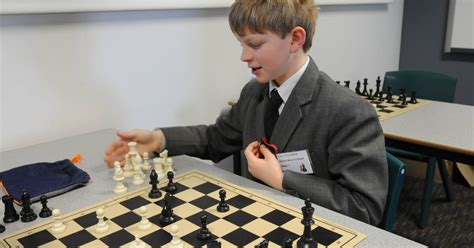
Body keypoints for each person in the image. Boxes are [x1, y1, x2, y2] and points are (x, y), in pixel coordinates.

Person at [104, 0, 388, 225]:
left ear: (295, 39)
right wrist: (159, 140)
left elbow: (364, 209)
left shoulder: (348, 111)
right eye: (241, 45)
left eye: (254, 44)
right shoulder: (254, 93)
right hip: (258, 219)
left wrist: (282, 180)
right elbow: (215, 138)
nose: (244, 56)